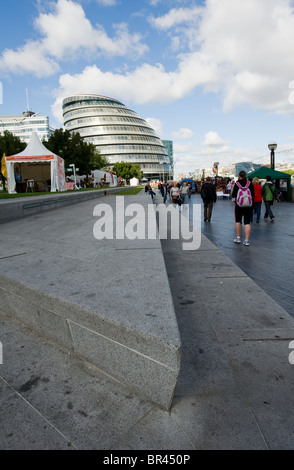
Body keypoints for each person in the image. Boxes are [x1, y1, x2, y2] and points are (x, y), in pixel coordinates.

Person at [231, 170, 254, 246]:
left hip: (239, 205)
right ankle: (246, 240)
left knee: (238, 221)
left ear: (239, 176)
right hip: (248, 206)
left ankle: (238, 238)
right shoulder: (250, 184)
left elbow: (233, 195)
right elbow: (253, 195)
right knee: (247, 222)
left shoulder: (237, 184)